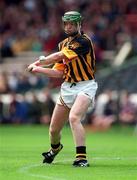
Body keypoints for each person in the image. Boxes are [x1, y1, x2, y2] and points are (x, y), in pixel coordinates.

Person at [27, 11, 98, 167]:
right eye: (66, 23)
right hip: (67, 87)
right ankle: (55, 148)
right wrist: (37, 70)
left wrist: (39, 62)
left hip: (85, 85)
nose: (69, 26)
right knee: (53, 130)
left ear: (80, 24)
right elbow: (58, 72)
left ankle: (81, 158)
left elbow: (58, 57)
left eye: (72, 23)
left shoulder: (83, 41)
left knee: (74, 118)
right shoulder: (62, 44)